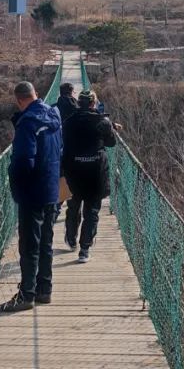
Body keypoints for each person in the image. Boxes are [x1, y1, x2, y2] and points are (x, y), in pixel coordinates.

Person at [1, 80, 62, 312]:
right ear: (36, 94)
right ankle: (44, 290)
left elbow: (24, 160)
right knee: (46, 242)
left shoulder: (27, 123)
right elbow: (61, 149)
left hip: (32, 193)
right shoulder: (54, 115)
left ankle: (26, 294)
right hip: (51, 189)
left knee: (29, 246)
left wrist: (14, 181)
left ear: (18, 101)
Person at [61, 89, 117, 263]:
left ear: (79, 103)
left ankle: (71, 239)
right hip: (95, 171)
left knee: (73, 206)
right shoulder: (102, 121)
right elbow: (111, 143)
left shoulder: (68, 121)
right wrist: (110, 128)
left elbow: (63, 142)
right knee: (92, 210)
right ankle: (84, 249)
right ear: (94, 103)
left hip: (73, 171)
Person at [50, 82, 80, 225]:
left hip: (57, 153)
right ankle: (72, 226)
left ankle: (53, 215)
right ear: (72, 92)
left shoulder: (52, 109)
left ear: (60, 93)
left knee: (60, 184)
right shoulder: (79, 109)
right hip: (77, 154)